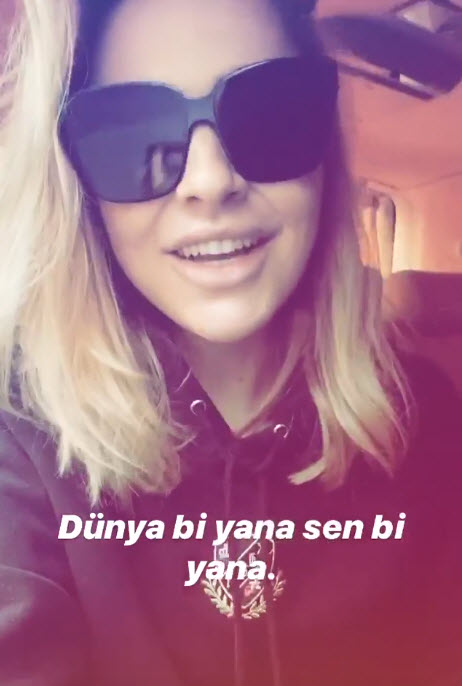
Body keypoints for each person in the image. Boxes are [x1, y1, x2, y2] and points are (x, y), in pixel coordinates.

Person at [0, 1, 460, 685]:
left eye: (268, 114)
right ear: (80, 190)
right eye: (135, 134)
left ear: (324, 159)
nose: (211, 182)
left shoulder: (427, 420)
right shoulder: (20, 442)